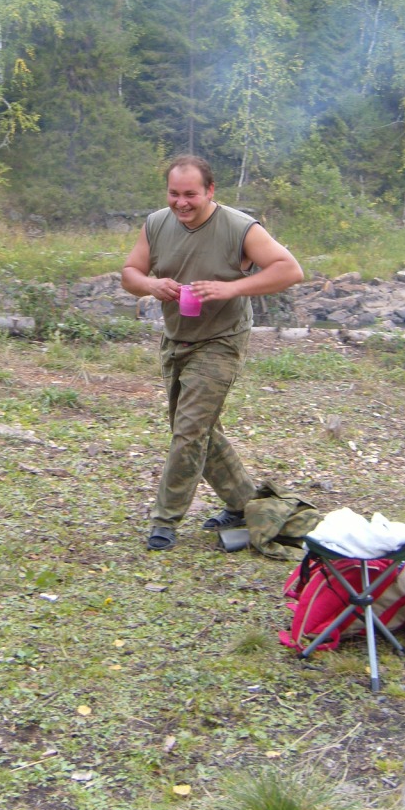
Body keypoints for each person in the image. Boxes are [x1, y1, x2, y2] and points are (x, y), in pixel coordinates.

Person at [121, 155, 304, 550]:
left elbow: (290, 269)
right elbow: (130, 274)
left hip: (222, 339)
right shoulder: (156, 224)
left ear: (210, 190)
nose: (181, 202)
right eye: (174, 193)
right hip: (177, 339)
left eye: (190, 194)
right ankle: (243, 504)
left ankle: (164, 521)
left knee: (189, 430)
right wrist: (151, 286)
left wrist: (231, 288)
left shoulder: (239, 227)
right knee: (197, 426)